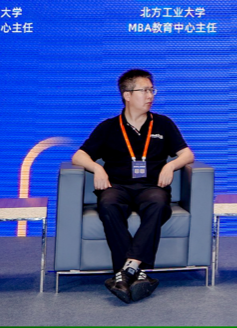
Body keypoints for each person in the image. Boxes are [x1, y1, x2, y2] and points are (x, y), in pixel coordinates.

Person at [72, 69, 194, 304]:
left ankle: (125, 272)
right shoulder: (108, 127)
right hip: (117, 186)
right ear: (127, 95)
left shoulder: (163, 124)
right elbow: (79, 156)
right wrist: (97, 168)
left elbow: (187, 154)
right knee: (108, 205)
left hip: (151, 186)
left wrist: (171, 166)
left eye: (152, 90)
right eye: (144, 90)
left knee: (159, 204)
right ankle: (135, 273)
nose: (150, 95)